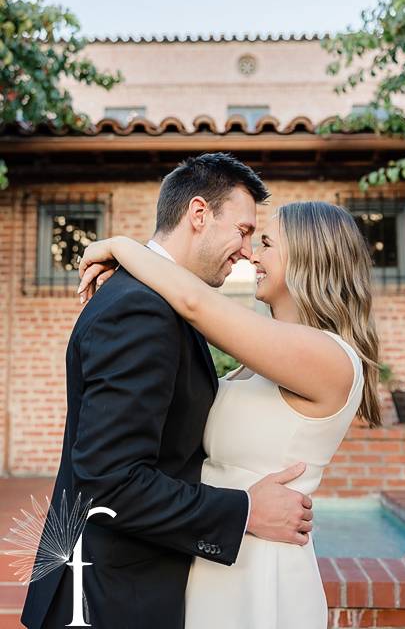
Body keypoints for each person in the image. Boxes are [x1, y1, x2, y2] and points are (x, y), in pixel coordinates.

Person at [22, 153, 316, 629]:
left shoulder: (157, 300)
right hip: (112, 601)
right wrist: (244, 511)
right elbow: (110, 482)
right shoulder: (141, 311)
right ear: (199, 214)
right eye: (243, 230)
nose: (246, 250)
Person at [77, 198, 382, 629]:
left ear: (310, 256)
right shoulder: (257, 360)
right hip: (215, 551)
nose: (252, 255)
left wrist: (123, 248)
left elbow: (194, 303)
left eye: (267, 244)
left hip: (260, 567)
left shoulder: (331, 358)